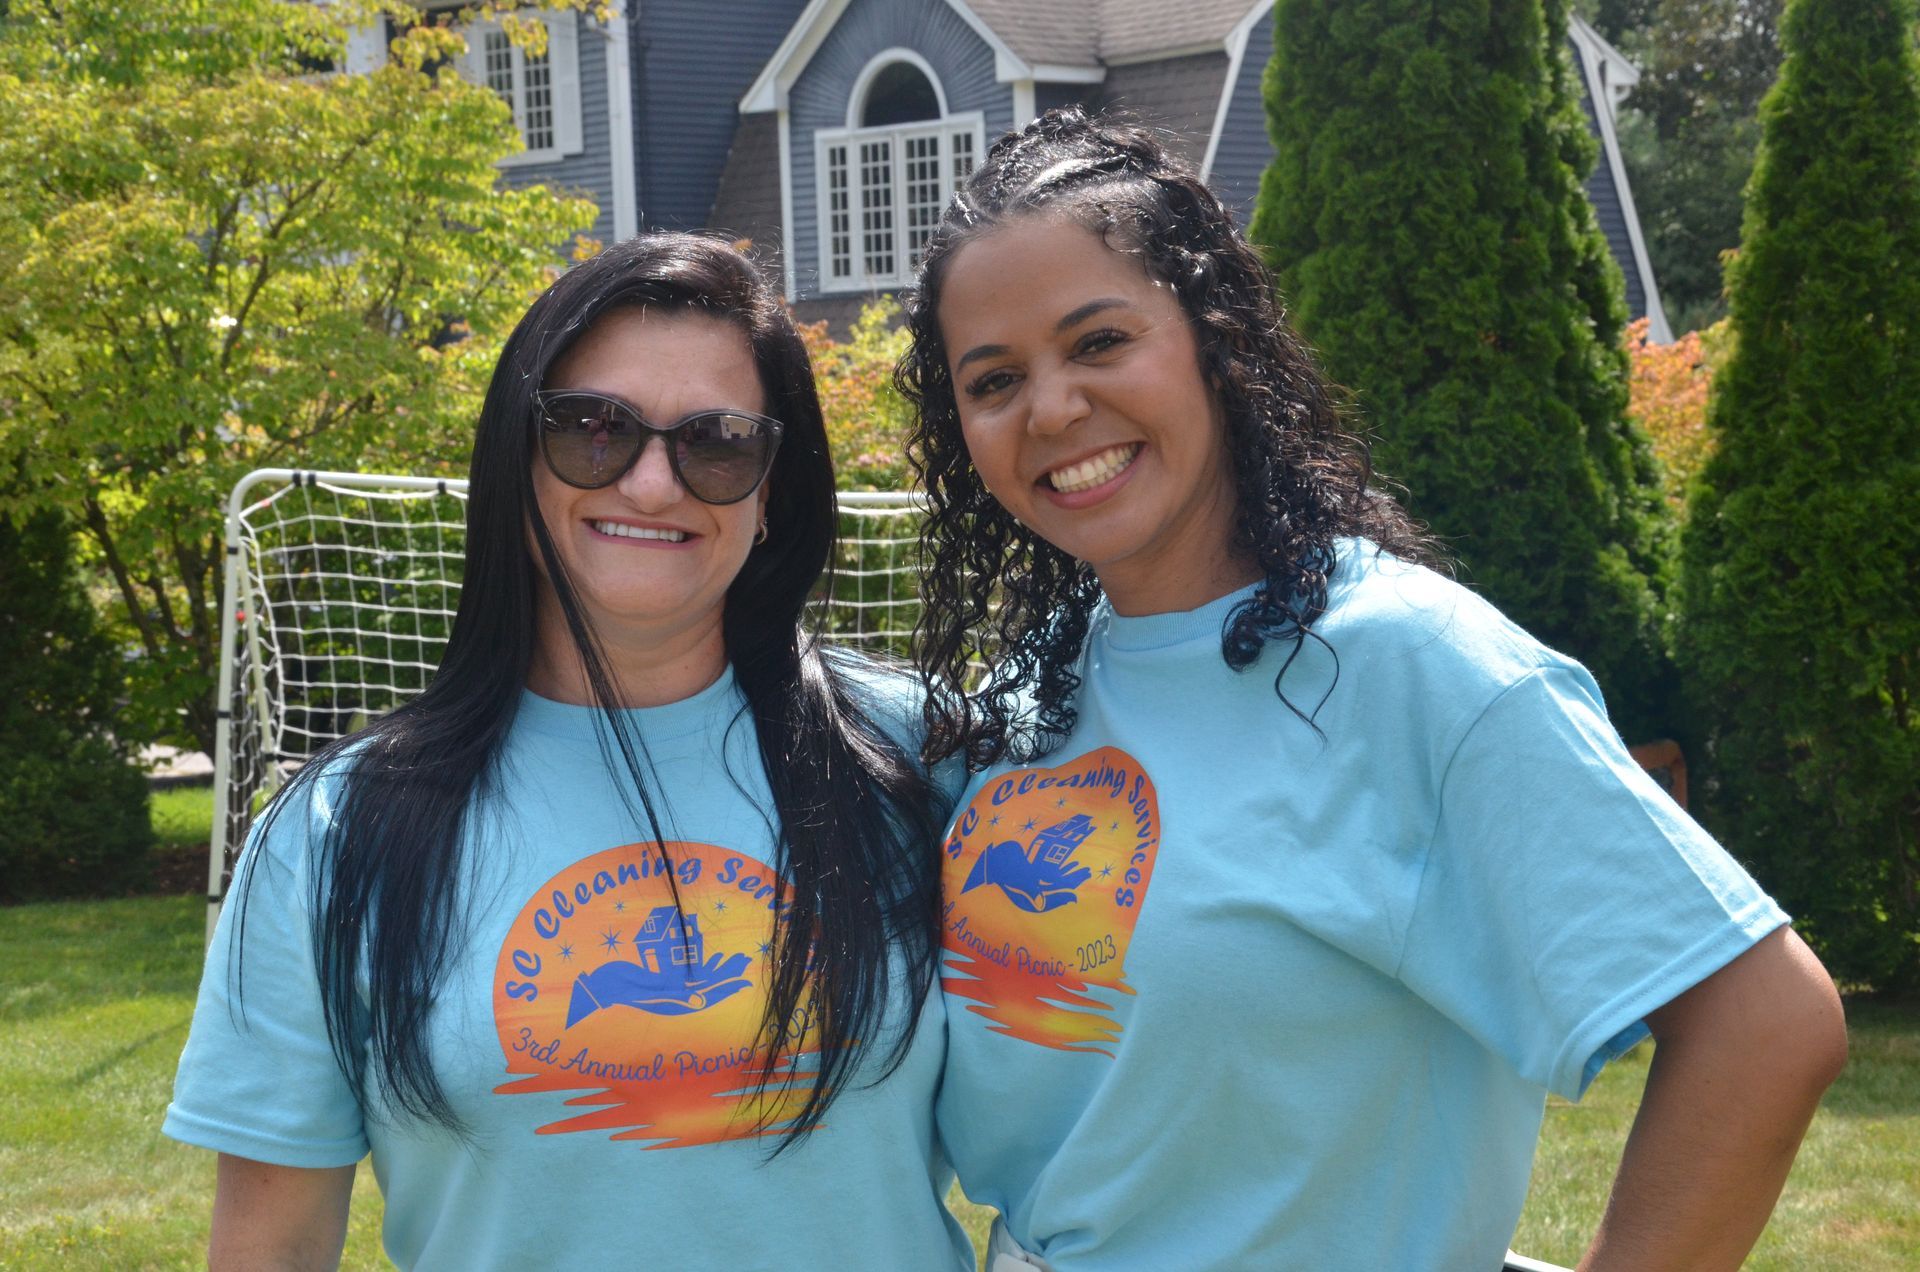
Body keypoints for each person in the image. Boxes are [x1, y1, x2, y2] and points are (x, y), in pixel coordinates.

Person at [897, 109, 1847, 1271]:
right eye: (995, 380)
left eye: (1099, 341)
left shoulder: (1411, 665)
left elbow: (1767, 1022)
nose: (1050, 408)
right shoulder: (1033, 691)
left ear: (1217, 339)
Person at [166, 234, 974, 1270]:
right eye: (594, 428)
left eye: (719, 442)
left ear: (772, 491)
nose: (652, 484)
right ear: (515, 458)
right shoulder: (336, 829)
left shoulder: (920, 759)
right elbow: (269, 1249)